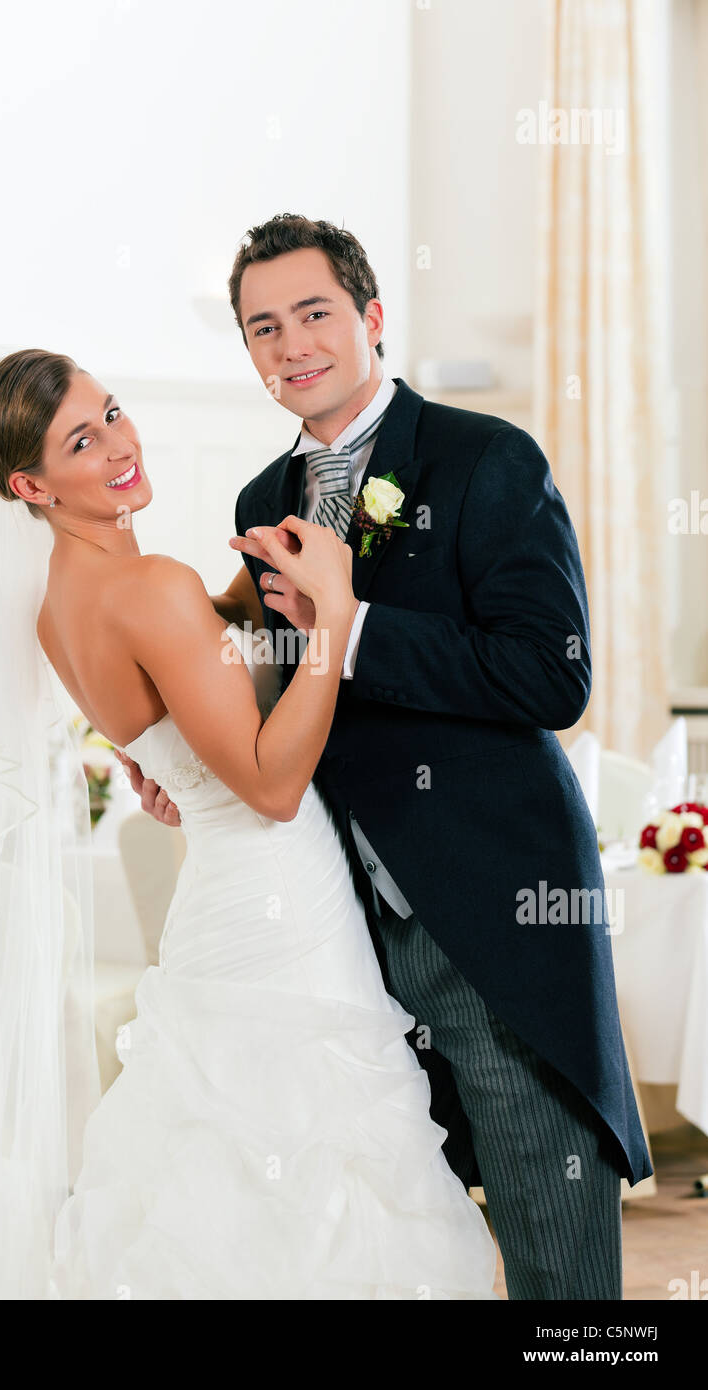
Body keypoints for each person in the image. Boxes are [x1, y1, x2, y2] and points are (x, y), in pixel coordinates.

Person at [123, 213, 653, 1300]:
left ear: (370, 316)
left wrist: (350, 622)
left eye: (312, 313)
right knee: (387, 1246)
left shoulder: (484, 460)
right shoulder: (257, 504)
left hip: (491, 912)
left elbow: (548, 676)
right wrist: (176, 752)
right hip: (333, 943)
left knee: (555, 1256)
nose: (290, 345)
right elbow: (272, 692)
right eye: (261, 327)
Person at [0, 346, 498, 1299]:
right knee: (316, 1149)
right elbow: (271, 786)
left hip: (218, 899)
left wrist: (242, 598)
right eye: (81, 441)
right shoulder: (150, 586)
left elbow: (168, 711)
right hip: (281, 895)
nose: (120, 445)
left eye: (115, 413)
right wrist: (332, 617)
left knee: (222, 1159)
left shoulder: (58, 607)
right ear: (28, 483)